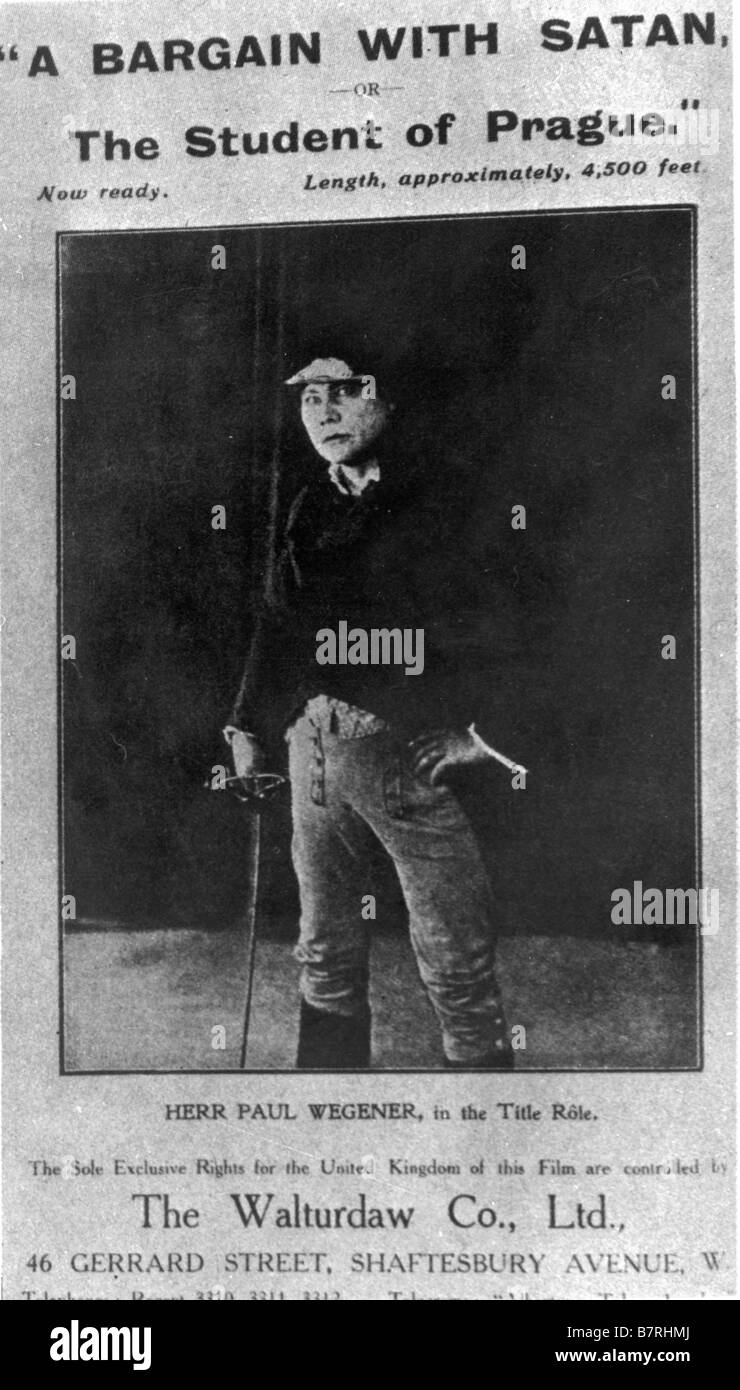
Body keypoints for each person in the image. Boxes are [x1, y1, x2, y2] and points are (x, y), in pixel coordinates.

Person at [224, 352, 535, 1070]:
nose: (325, 413)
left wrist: (486, 738)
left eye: (345, 393)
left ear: (388, 398)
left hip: (405, 767)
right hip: (314, 762)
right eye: (310, 400)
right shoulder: (312, 502)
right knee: (324, 954)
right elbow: (276, 624)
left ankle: (491, 1158)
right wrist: (248, 731)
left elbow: (531, 620)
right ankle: (333, 1139)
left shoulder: (454, 498)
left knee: (455, 968)